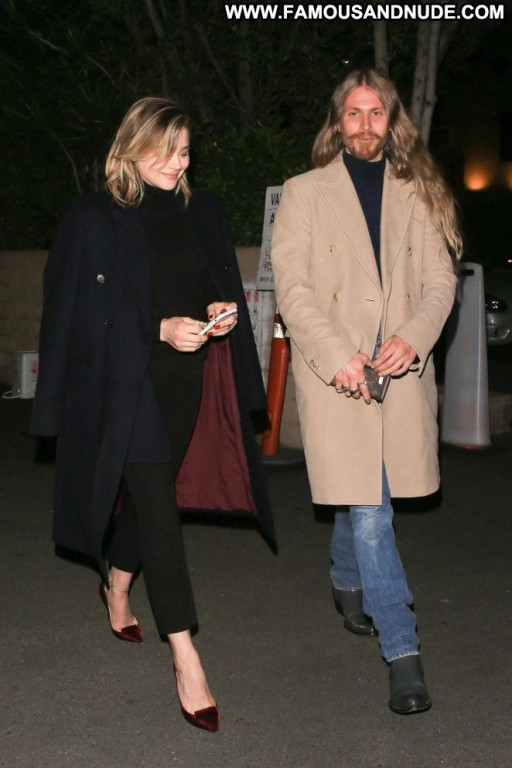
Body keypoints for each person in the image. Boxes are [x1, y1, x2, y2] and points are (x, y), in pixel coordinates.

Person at [31, 96, 274, 733]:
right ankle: (186, 657)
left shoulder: (202, 212)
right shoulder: (93, 216)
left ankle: (117, 582)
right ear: (130, 148)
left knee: (151, 496)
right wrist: (157, 328)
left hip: (182, 381)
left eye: (185, 151)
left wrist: (218, 310)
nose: (176, 163)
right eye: (164, 151)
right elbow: (75, 313)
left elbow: (208, 283)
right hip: (124, 385)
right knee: (161, 511)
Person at [271, 69, 462, 715]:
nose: (364, 124)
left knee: (364, 496)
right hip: (339, 374)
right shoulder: (305, 193)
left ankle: (346, 576)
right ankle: (403, 652)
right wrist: (337, 356)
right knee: (373, 512)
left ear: (391, 120)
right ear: (337, 122)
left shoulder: (418, 190)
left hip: (398, 372)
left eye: (375, 112)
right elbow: (293, 289)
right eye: (353, 113)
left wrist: (415, 336)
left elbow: (440, 282)